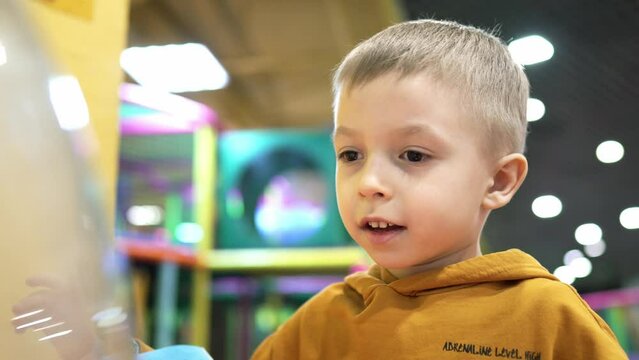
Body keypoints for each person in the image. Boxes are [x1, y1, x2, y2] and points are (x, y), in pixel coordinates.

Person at [251, 19, 627, 359]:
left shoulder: (549, 319)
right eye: (351, 154)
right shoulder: (319, 323)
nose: (368, 183)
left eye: (413, 155)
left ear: (498, 181)